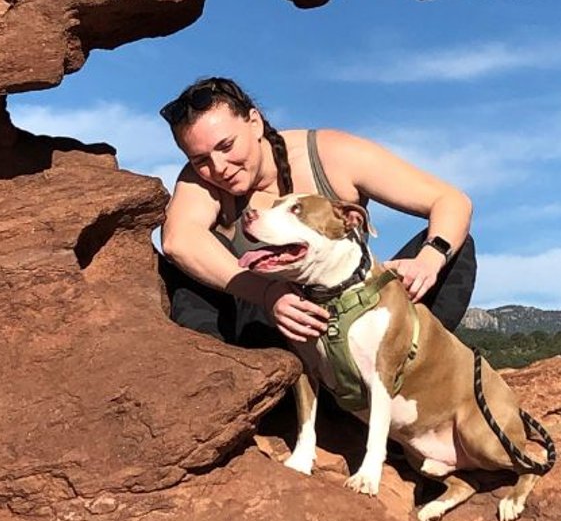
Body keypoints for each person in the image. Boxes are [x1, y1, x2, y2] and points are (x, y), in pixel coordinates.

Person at [157, 76, 477, 347]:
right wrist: (269, 294)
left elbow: (450, 200)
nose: (218, 167)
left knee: (455, 250)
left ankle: (404, 368)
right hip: (267, 332)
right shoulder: (200, 181)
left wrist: (429, 260)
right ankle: (230, 391)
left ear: (254, 122)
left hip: (351, 321)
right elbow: (178, 241)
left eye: (226, 146)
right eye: (200, 160)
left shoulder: (329, 154)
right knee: (188, 274)